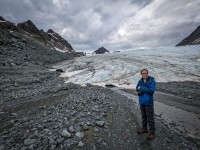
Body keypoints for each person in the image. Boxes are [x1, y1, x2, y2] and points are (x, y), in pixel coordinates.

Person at [136, 68, 156, 141]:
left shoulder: (152, 81)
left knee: (150, 118)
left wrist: (141, 87)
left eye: (145, 73)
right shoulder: (140, 81)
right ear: (141, 74)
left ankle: (152, 133)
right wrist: (141, 88)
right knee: (144, 116)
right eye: (143, 73)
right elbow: (136, 88)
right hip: (142, 102)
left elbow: (151, 91)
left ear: (147, 74)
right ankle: (144, 129)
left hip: (148, 102)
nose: (144, 74)